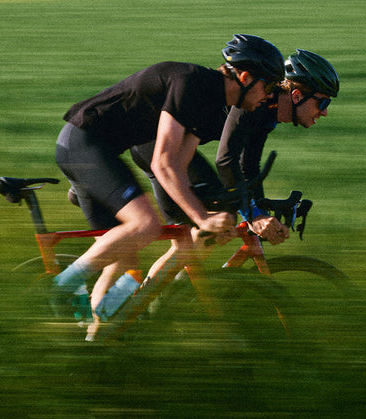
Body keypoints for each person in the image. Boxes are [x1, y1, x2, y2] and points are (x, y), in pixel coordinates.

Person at [51, 35, 285, 324]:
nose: (270, 95)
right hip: (83, 143)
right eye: (269, 86)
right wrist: (201, 218)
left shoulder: (213, 109)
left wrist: (208, 217)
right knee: (145, 225)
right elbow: (162, 163)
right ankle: (63, 286)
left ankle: (96, 336)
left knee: (126, 269)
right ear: (246, 77)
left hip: (102, 153)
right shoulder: (191, 83)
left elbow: (180, 165)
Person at [214, 49, 340, 244]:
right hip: (162, 144)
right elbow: (226, 160)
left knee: (220, 220)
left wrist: (262, 214)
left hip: (181, 147)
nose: (324, 113)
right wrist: (253, 215)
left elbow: (248, 167)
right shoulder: (255, 103)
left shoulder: (268, 112)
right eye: (323, 102)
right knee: (214, 224)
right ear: (297, 96)